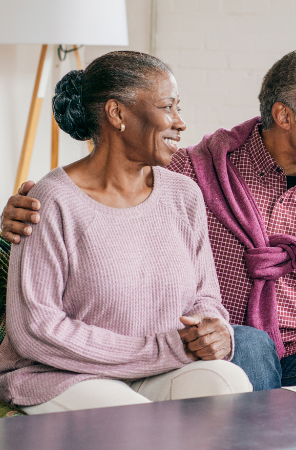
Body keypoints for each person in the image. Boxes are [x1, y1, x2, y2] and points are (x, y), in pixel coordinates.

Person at [2, 50, 296, 391]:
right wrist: (28, 206)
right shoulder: (192, 174)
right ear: (285, 116)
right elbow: (109, 187)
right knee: (249, 343)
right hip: (224, 353)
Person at [0, 51, 252, 414]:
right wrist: (160, 349)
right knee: (131, 419)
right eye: (168, 107)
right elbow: (36, 331)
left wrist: (215, 331)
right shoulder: (50, 201)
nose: (180, 122)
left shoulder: (184, 196)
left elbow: (205, 298)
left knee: (230, 383)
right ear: (117, 114)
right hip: (61, 375)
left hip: (157, 370)